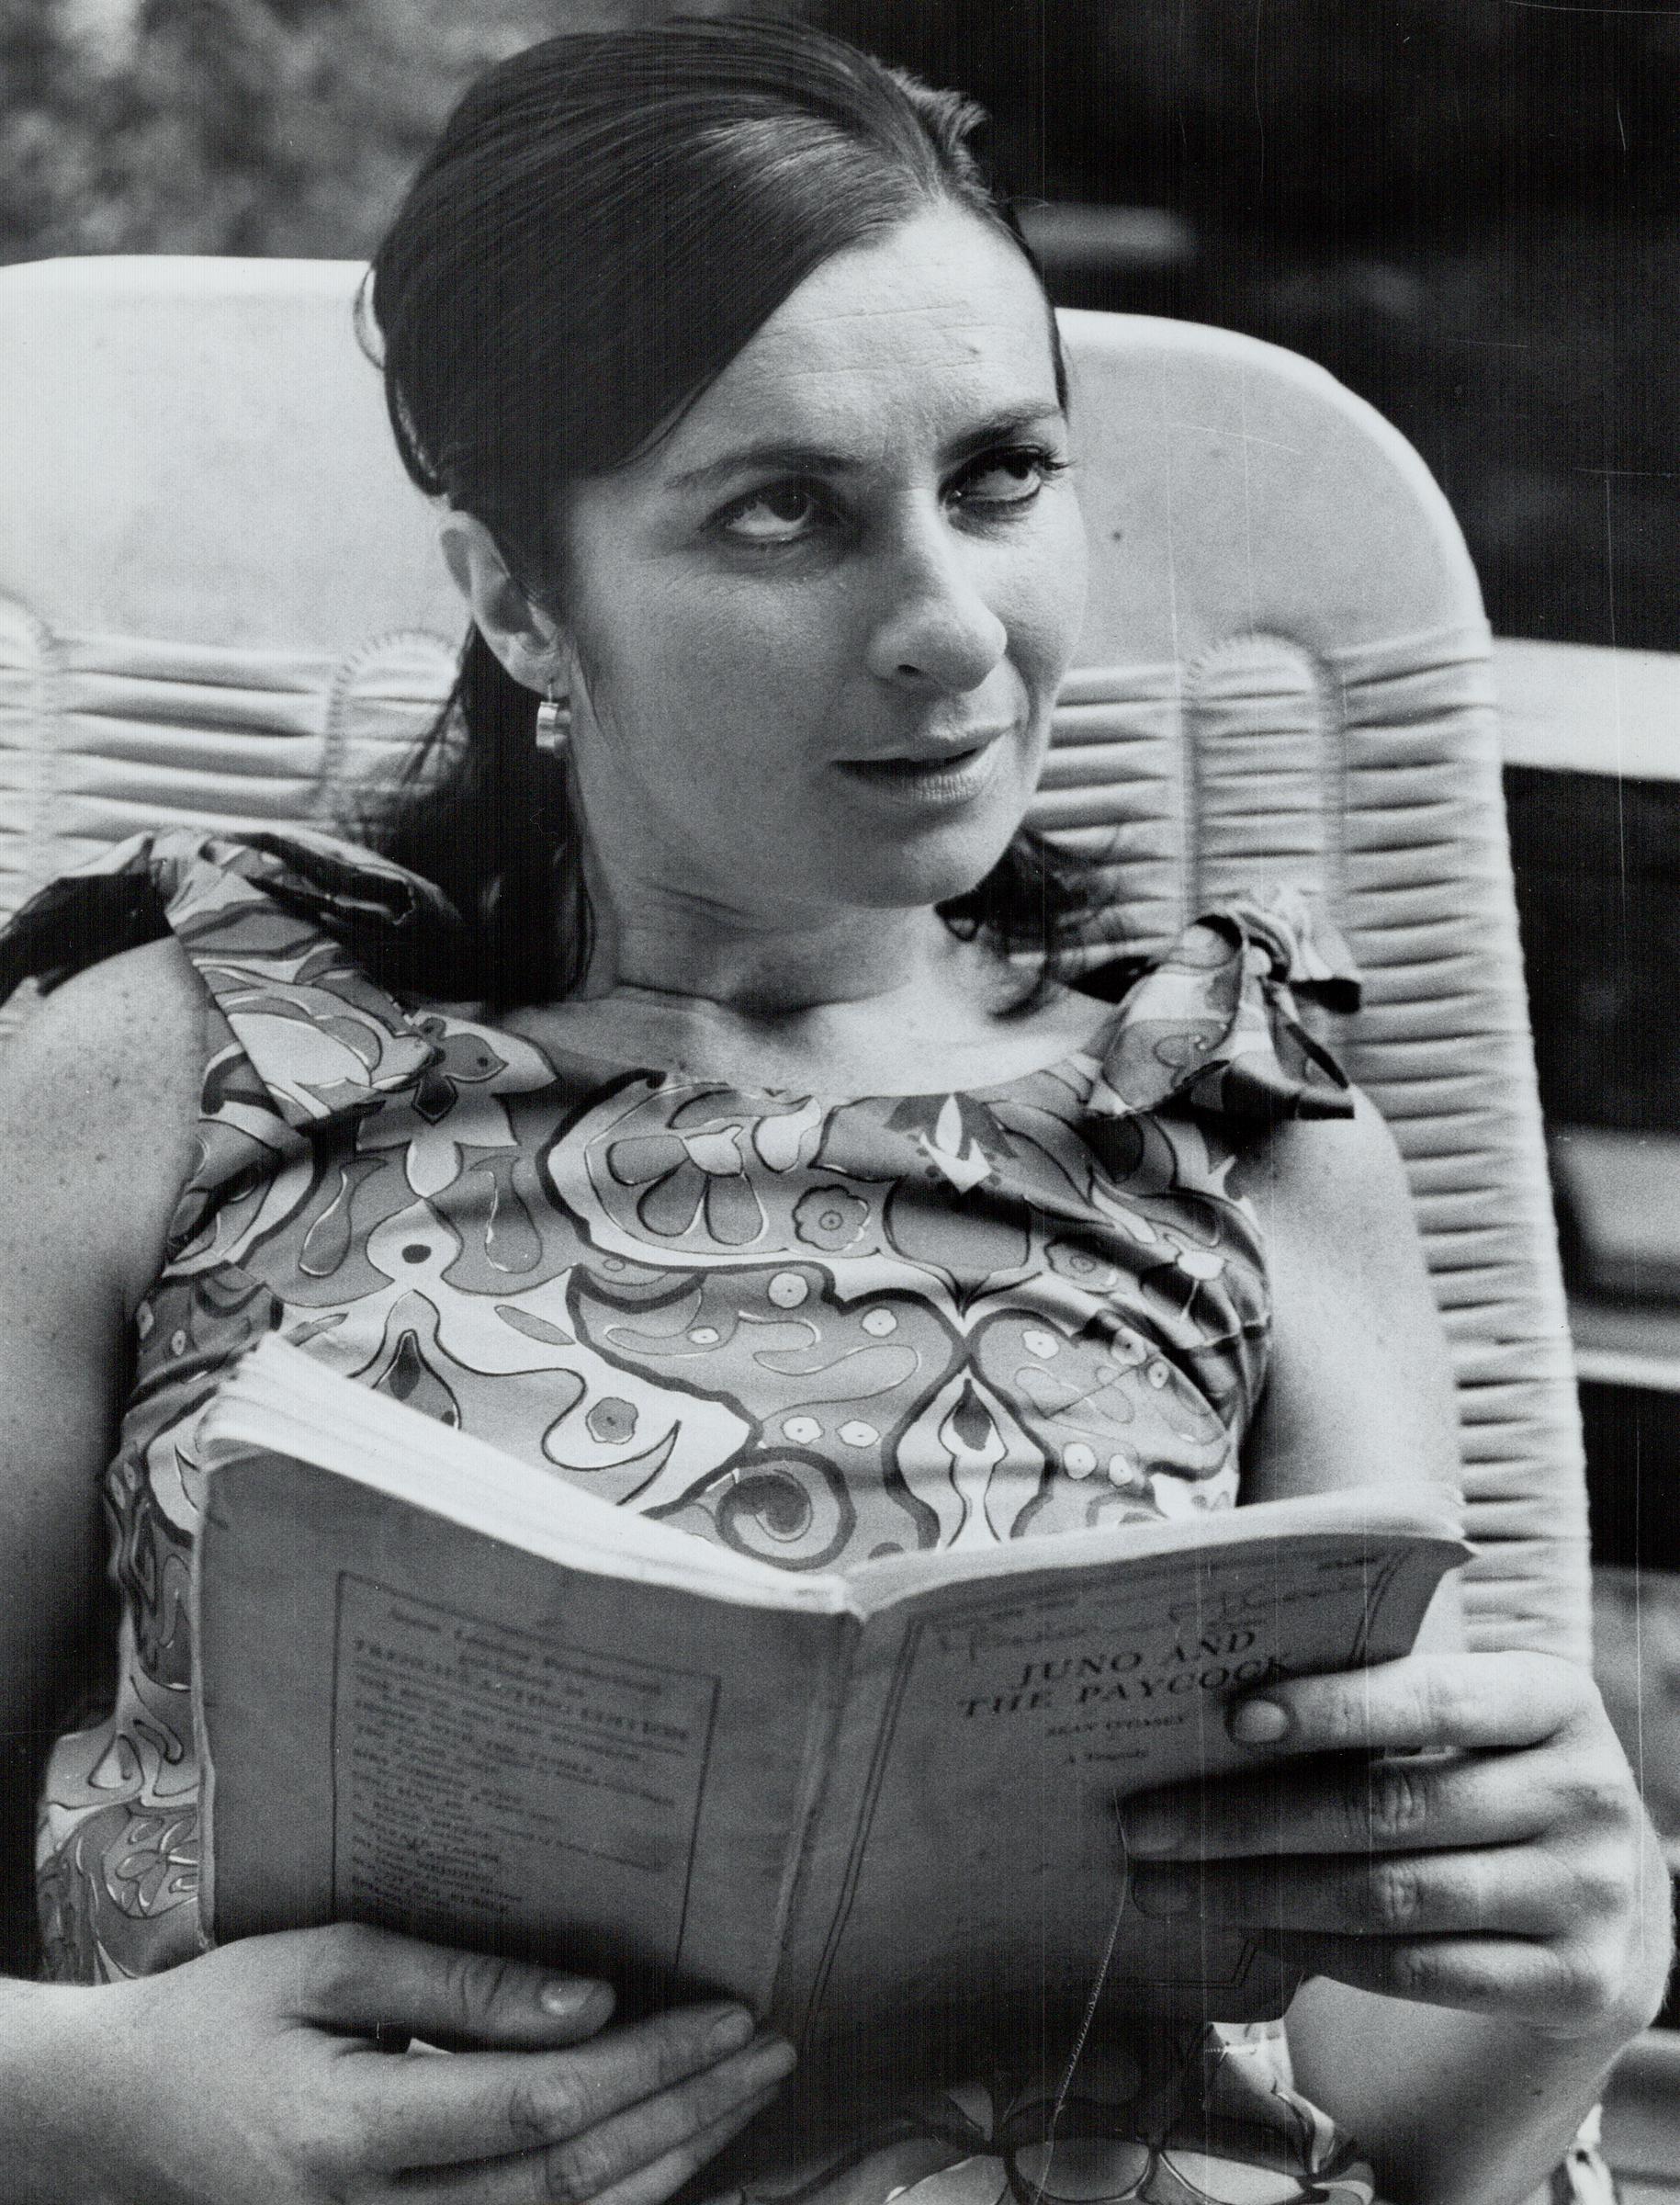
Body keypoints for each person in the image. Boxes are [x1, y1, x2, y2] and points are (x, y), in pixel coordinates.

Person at [0, 19, 1669, 2205]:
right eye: (785, 511)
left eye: (1001, 480)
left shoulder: (1234, 1129)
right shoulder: (176, 1074)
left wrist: (1555, 2002)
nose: (949, 631)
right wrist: (95, 2110)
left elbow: (1388, 2089)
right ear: (518, 592)